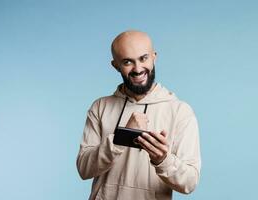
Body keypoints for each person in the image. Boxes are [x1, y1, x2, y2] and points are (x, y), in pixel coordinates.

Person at [76, 30, 201, 200]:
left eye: (143, 58)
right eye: (128, 62)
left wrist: (163, 159)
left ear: (154, 57)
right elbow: (84, 169)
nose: (138, 69)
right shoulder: (100, 107)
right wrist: (120, 138)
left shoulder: (180, 112)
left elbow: (189, 183)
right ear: (116, 66)